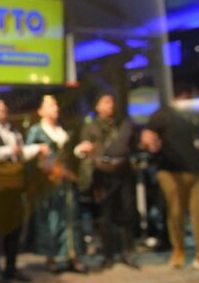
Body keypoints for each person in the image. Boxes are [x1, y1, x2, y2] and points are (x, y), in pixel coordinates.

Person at [139, 86, 199, 274]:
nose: (190, 100)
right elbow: (147, 135)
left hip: (198, 169)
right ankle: (178, 250)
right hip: (171, 171)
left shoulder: (195, 115)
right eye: (188, 97)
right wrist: (149, 141)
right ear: (179, 96)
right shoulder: (162, 114)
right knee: (176, 212)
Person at [0, 98, 48, 282]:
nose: (2, 107)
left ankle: (11, 268)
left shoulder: (13, 131)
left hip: (14, 187)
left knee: (14, 229)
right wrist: (8, 151)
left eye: (4, 105)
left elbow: (21, 154)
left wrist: (36, 149)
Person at [75, 93, 140, 269]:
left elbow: (133, 144)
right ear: (97, 106)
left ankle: (127, 252)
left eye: (112, 101)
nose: (110, 105)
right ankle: (107, 254)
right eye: (105, 102)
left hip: (123, 172)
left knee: (127, 212)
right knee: (105, 215)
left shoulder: (121, 124)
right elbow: (83, 149)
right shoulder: (90, 127)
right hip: (102, 176)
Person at [25, 95, 86, 273]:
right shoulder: (36, 131)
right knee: (51, 218)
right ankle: (50, 257)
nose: (55, 108)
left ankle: (73, 255)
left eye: (56, 105)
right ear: (41, 111)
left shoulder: (62, 129)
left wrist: (79, 151)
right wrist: (42, 159)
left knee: (71, 217)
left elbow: (69, 154)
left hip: (66, 181)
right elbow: (30, 157)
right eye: (50, 105)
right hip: (48, 182)